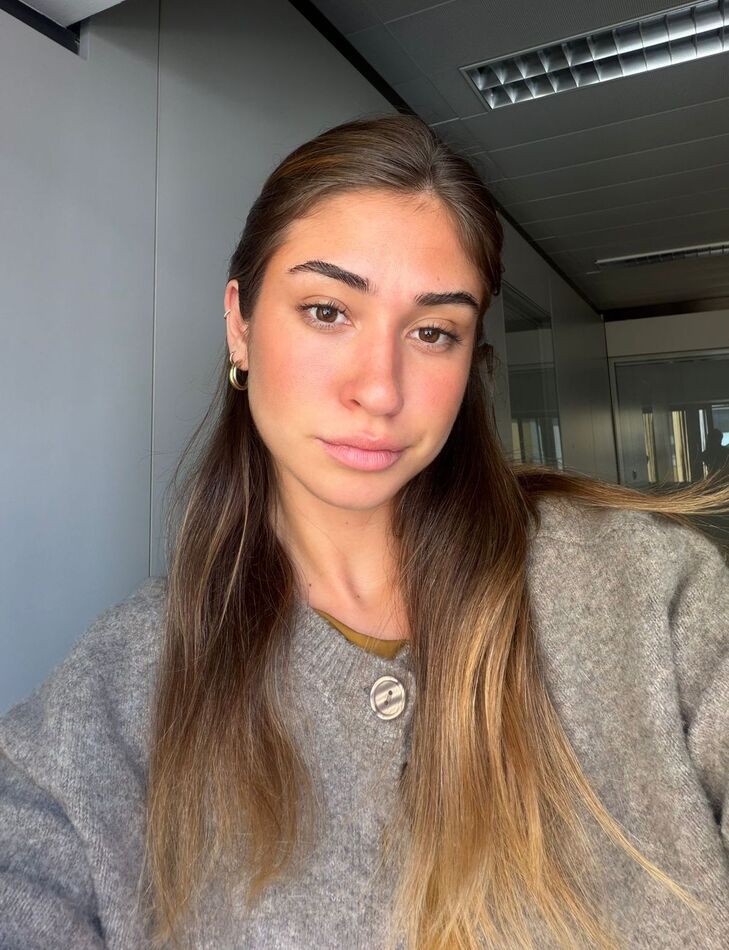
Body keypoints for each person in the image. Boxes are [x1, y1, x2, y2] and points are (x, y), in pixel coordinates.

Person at [1, 113, 728, 950]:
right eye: (326, 310)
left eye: (433, 332)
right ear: (240, 324)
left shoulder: (646, 591)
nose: (379, 390)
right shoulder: (116, 695)